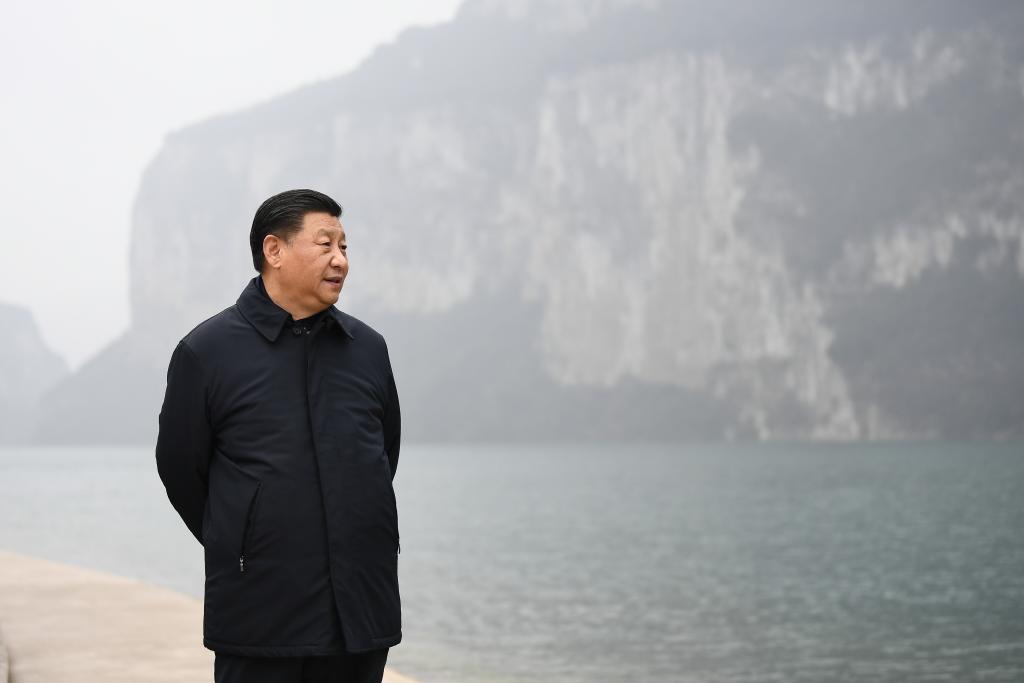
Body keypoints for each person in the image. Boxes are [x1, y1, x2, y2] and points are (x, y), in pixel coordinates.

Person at [155, 188, 402, 683]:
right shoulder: (207, 352)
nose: (341, 260)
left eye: (345, 247)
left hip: (359, 614)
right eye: (325, 244)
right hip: (259, 615)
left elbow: (383, 456)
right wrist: (241, 537)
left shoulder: (368, 349)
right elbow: (181, 471)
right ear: (274, 250)